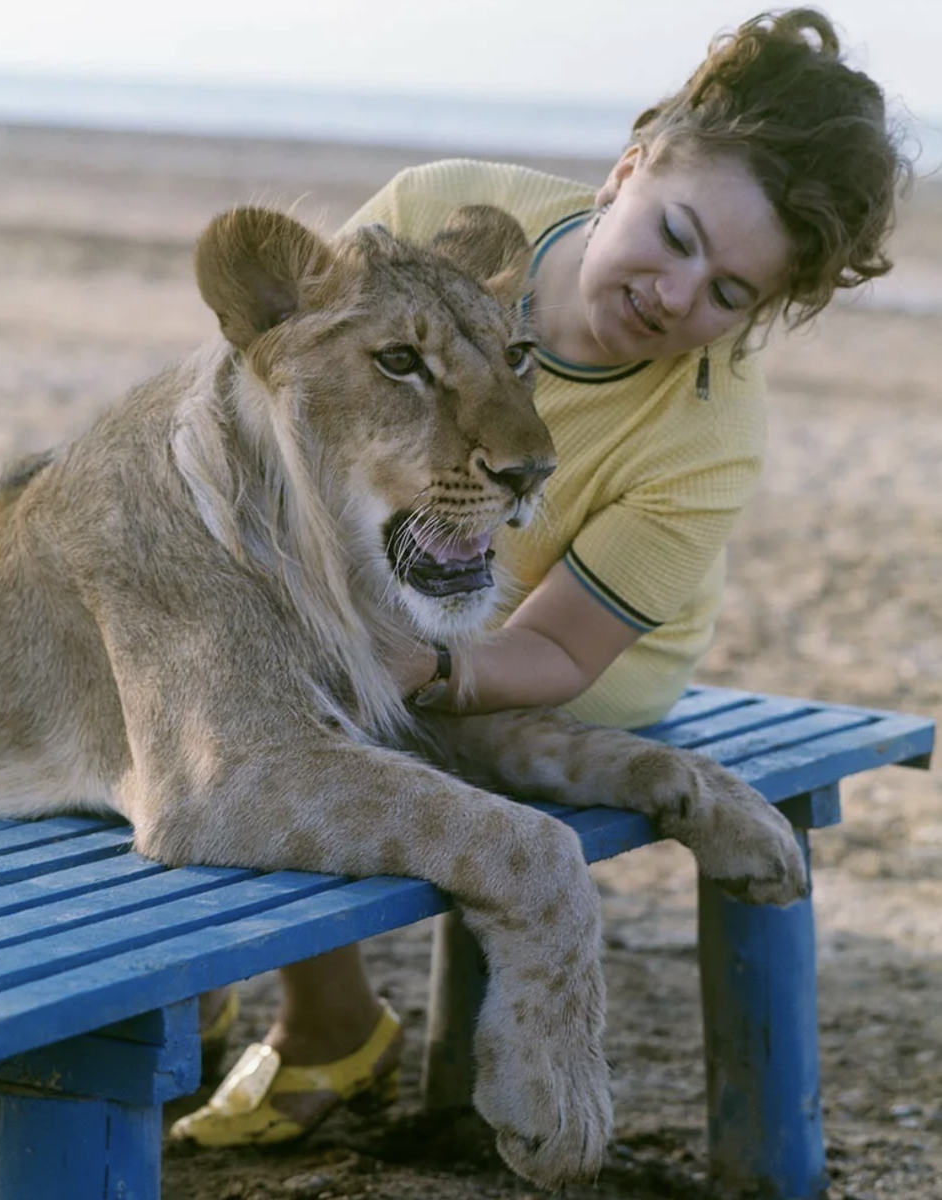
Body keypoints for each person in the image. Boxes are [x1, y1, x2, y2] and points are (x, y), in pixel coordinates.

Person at [170, 7, 909, 1148]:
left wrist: (406, 660)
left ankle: (328, 1025)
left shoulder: (709, 437)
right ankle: (200, 974)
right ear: (627, 171)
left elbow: (557, 650)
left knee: (312, 721)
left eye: (727, 295)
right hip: (394, 562)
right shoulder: (439, 210)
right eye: (673, 235)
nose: (677, 294)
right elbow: (286, 396)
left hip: (552, 651)